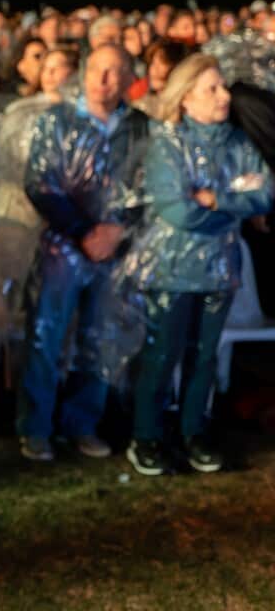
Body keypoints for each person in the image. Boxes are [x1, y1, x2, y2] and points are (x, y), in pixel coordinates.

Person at [124, 53, 273, 475]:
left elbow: (265, 194)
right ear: (185, 97)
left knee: (204, 356)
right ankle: (147, 435)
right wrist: (234, 203)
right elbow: (178, 211)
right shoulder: (168, 143)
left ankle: (194, 432)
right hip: (172, 269)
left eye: (222, 86)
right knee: (162, 354)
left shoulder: (237, 142)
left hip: (219, 269)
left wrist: (217, 199)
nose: (224, 95)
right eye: (212, 88)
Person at [17, 44, 149, 462]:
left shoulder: (139, 127)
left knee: (99, 336)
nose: (104, 79)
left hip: (114, 248)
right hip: (64, 246)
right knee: (47, 336)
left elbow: (151, 186)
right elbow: (40, 182)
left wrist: (118, 231)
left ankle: (83, 424)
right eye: (97, 69)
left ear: (129, 77)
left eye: (115, 71)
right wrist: (82, 231)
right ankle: (36, 428)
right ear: (85, 73)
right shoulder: (57, 120)